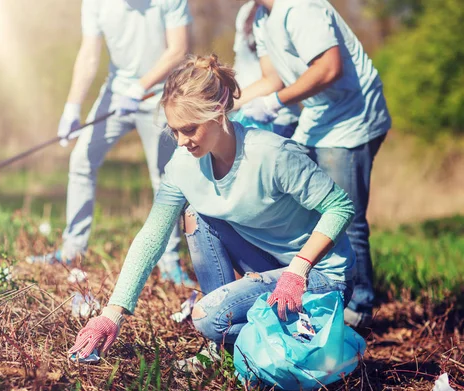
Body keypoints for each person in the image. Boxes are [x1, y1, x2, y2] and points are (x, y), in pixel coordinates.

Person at [68, 55, 356, 370]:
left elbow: (340, 207)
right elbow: (153, 234)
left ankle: (285, 333)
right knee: (196, 215)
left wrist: (297, 270)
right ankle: (236, 344)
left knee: (207, 317)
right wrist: (113, 312)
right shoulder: (182, 165)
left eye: (189, 129)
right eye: (174, 131)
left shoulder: (271, 154)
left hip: (319, 273)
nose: (181, 142)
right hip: (264, 263)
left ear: (218, 111)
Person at [235, 0, 392, 327]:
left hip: (352, 118)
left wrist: (275, 102)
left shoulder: (300, 6)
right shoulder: (261, 17)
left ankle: (359, 308)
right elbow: (271, 79)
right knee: (301, 206)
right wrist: (224, 102)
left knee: (344, 213)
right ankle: (314, 287)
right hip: (319, 117)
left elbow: (328, 68)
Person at [29, 0, 195, 285]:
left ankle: (168, 262)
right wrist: (72, 106)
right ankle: (72, 251)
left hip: (161, 95)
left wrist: (140, 86)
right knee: (81, 161)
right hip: (115, 95)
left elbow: (178, 49)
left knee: (165, 179)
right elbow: (89, 55)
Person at [232, 0, 301, 138]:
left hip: (276, 120)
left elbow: (274, 81)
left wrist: (227, 102)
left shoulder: (291, 9)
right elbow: (240, 62)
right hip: (241, 116)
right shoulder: (247, 11)